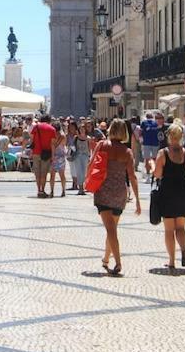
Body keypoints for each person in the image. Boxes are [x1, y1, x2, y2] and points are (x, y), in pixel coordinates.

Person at [93, 119, 141, 276]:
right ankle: (106, 259)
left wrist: (88, 183)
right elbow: (132, 177)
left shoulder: (102, 145)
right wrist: (138, 201)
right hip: (120, 192)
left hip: (104, 190)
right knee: (112, 227)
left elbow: (91, 164)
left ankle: (118, 262)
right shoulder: (127, 152)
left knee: (111, 229)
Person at [154, 122, 185, 270]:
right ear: (181, 137)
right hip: (183, 192)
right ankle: (183, 249)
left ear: (169, 137)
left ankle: (172, 260)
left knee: (169, 230)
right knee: (180, 227)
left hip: (167, 192)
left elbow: (158, 174)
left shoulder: (163, 153)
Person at [30, 115, 57, 198]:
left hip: (36, 153)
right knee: (43, 174)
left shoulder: (36, 127)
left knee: (37, 173)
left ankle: (38, 190)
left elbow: (32, 140)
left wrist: (31, 152)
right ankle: (42, 190)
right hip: (46, 154)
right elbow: (52, 144)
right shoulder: (52, 129)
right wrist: (53, 156)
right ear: (49, 120)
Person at [67, 121, 90, 195]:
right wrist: (70, 153)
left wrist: (90, 157)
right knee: (79, 172)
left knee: (84, 172)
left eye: (83, 129)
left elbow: (89, 148)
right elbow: (72, 146)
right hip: (77, 156)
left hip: (85, 156)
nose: (82, 130)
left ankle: (82, 187)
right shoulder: (76, 137)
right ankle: (80, 188)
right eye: (81, 129)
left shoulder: (88, 138)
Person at [49, 121, 67, 198]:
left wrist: (52, 157)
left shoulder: (52, 136)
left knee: (52, 176)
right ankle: (63, 190)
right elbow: (64, 145)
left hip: (54, 157)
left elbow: (53, 147)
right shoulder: (63, 136)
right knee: (62, 175)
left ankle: (52, 191)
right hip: (61, 156)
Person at [140, 112, 160, 181]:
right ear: (152, 116)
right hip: (155, 143)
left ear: (146, 116)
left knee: (147, 159)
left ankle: (148, 176)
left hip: (146, 143)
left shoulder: (144, 123)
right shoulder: (156, 123)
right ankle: (154, 174)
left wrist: (141, 140)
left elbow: (141, 132)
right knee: (154, 159)